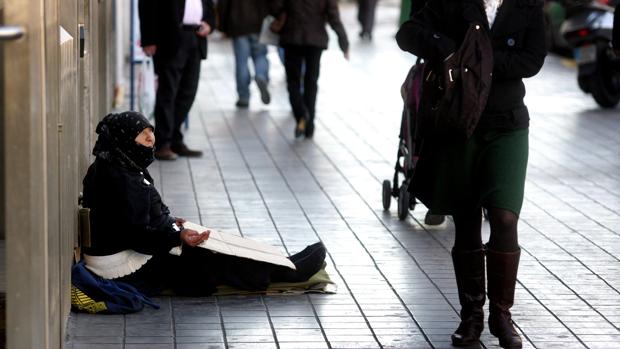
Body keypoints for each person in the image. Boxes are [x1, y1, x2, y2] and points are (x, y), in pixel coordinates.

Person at [396, 0, 546, 347]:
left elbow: (533, 58)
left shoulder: (527, 4)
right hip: (459, 123)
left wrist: (479, 63)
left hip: (508, 123)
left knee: (505, 216)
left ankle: (501, 315)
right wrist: (445, 47)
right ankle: (472, 316)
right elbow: (407, 33)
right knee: (465, 218)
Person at [81, 112, 328, 296]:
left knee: (212, 243)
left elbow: (129, 221)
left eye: (150, 132)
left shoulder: (116, 165)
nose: (150, 138)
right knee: (209, 258)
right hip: (125, 266)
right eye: (143, 136)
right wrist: (177, 237)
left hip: (122, 251)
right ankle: (285, 272)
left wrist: (168, 224)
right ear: (125, 140)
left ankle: (280, 261)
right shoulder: (122, 179)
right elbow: (136, 235)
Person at [138, 0, 214, 161]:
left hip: (196, 36)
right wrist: (148, 39)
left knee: (188, 92)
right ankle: (163, 143)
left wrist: (209, 23)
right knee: (168, 92)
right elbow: (147, 5)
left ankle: (173, 139)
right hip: (169, 38)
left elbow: (207, 4)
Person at [270, 0, 350, 138]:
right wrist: (344, 42)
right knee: (311, 82)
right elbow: (333, 16)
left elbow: (275, 6)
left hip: (292, 37)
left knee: (293, 81)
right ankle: (309, 126)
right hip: (315, 39)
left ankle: (301, 114)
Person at [218, 0, 271, 109]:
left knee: (241, 62)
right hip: (259, 23)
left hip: (238, 24)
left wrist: (223, 26)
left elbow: (223, 4)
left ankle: (243, 96)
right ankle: (261, 75)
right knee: (260, 55)